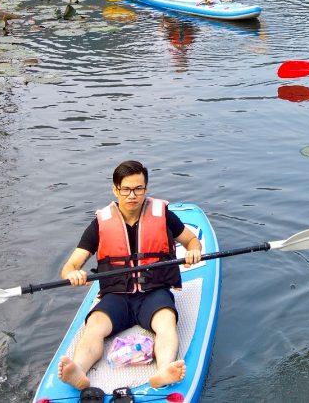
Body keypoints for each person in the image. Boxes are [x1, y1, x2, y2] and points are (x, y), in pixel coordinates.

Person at [56, 160, 204, 393]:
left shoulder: (163, 215)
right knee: (94, 326)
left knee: (166, 321)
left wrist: (195, 250)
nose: (132, 195)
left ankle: (164, 370)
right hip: (117, 296)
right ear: (115, 190)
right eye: (126, 189)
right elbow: (71, 265)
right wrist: (73, 273)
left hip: (154, 293)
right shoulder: (101, 223)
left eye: (139, 189)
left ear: (146, 188)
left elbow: (191, 240)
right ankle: (79, 371)